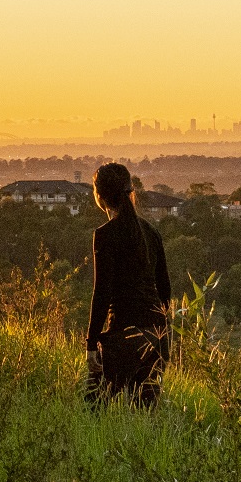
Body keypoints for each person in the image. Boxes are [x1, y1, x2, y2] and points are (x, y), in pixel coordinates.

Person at [84, 162, 173, 406]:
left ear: (99, 196)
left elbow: (102, 292)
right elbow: (165, 291)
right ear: (130, 192)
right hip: (156, 336)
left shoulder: (105, 234)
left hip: (124, 335)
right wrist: (166, 338)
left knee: (94, 409)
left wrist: (91, 344)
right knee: (145, 416)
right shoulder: (151, 232)